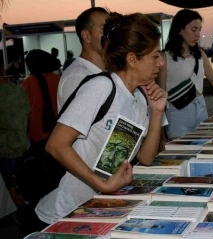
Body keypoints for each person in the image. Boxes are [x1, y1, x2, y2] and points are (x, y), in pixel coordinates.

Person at [35, 11, 167, 228]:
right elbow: (56, 145)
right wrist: (103, 185)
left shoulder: (138, 98)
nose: (160, 63)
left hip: (99, 209)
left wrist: (157, 112)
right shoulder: (102, 87)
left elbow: (146, 158)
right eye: (155, 56)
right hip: (67, 212)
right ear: (132, 59)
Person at [157, 9, 213, 140]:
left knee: (202, 150)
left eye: (199, 30)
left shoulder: (200, 55)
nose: (198, 34)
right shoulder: (165, 57)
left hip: (201, 109)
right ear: (179, 29)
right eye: (194, 29)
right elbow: (159, 97)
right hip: (178, 114)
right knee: (180, 154)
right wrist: (160, 135)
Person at [0, 61, 30, 210]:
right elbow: (27, 114)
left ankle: (24, 215)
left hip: (5, 148)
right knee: (20, 181)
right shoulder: (19, 91)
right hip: (22, 144)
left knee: (11, 184)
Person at [21, 50, 60, 154]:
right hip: (58, 129)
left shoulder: (28, 82)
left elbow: (23, 109)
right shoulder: (58, 79)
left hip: (37, 131)